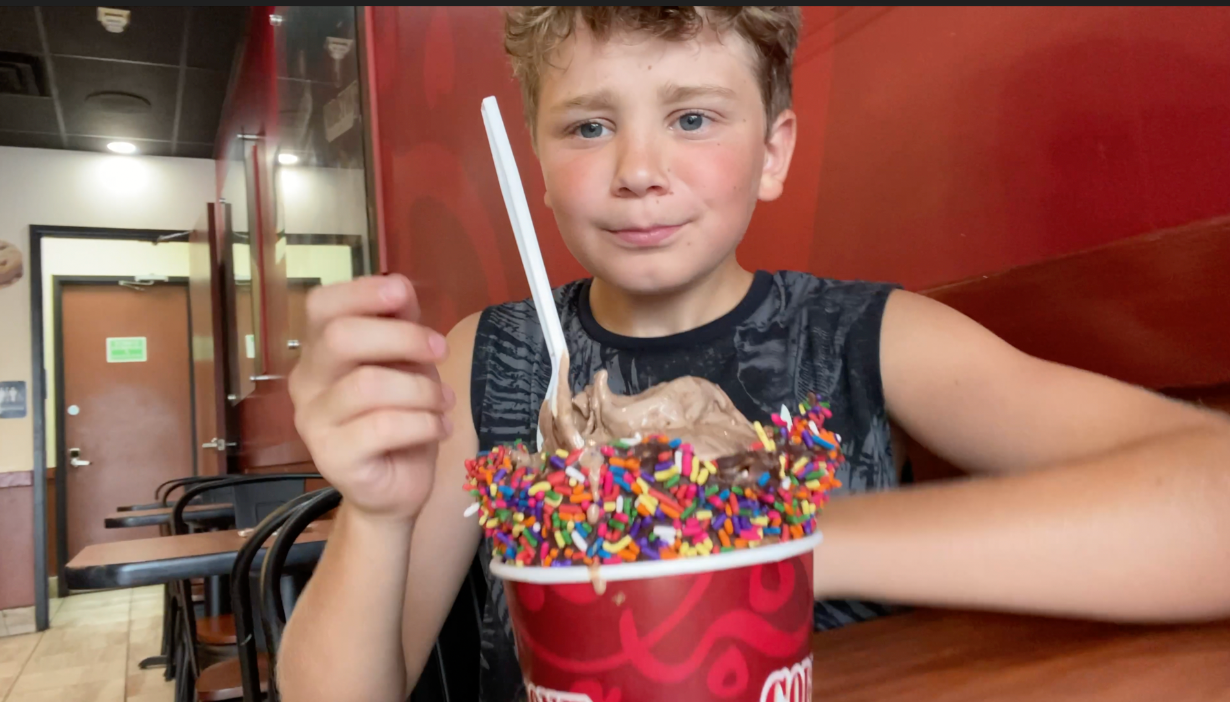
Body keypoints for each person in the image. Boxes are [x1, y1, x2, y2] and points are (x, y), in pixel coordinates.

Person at [277, 7, 1230, 702]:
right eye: (589, 126)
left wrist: (771, 542)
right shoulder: (486, 364)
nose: (638, 170)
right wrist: (376, 517)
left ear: (773, 153)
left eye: (693, 118)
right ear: (538, 163)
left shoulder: (868, 338)